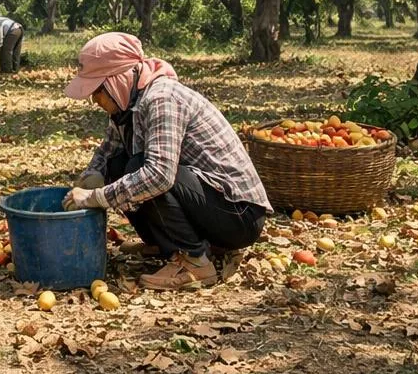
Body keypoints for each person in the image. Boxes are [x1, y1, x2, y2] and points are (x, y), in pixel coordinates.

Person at [60, 32, 271, 290]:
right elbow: (108, 152)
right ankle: (169, 246)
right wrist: (88, 180)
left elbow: (159, 175)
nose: (95, 100)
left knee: (142, 169)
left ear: (118, 80)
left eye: (98, 90)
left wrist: (96, 197)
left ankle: (194, 261)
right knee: (117, 165)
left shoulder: (161, 99)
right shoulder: (126, 105)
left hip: (238, 214)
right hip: (205, 203)